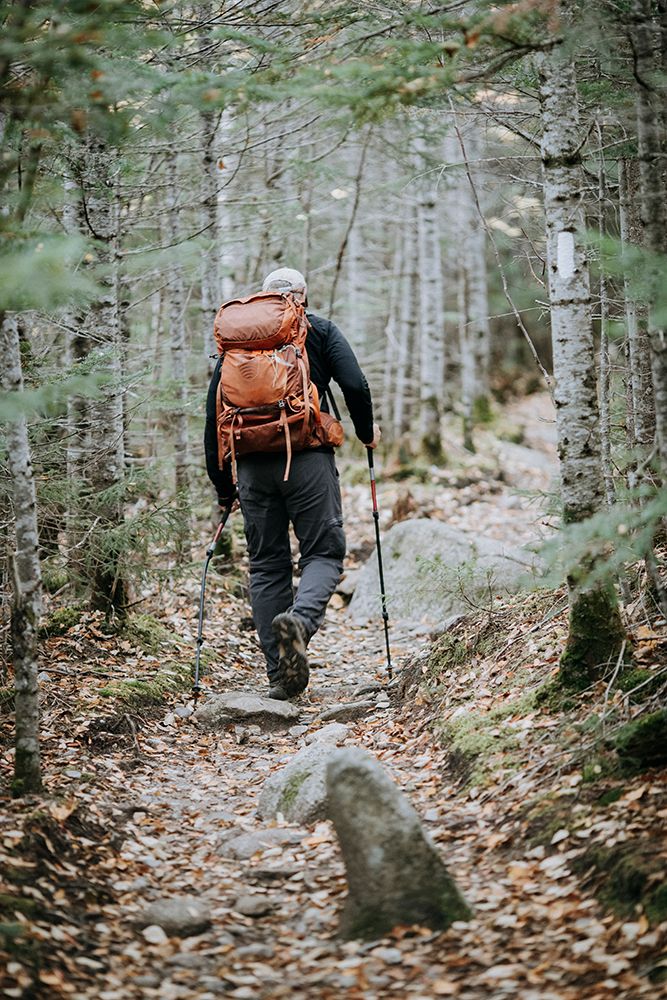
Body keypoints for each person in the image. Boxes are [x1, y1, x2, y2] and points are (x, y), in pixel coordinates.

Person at [204, 267, 380, 700]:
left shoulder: (238, 344)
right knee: (323, 551)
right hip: (307, 460)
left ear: (265, 300)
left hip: (250, 466)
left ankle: (280, 676)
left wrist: (224, 487)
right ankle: (298, 625)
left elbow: (213, 418)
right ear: (301, 295)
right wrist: (365, 430)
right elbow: (355, 383)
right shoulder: (318, 329)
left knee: (266, 565)